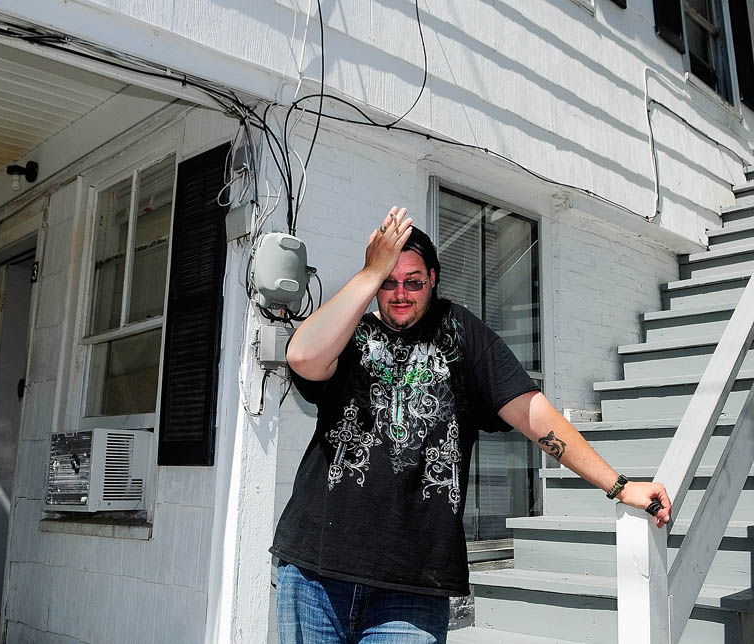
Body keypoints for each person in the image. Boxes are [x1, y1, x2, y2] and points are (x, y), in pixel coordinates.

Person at [271, 207, 671, 643]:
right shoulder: (348, 333)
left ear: (434, 279)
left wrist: (618, 485)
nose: (400, 293)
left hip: (412, 587)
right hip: (315, 573)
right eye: (388, 281)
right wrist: (370, 271)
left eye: (413, 281)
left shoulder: (460, 334)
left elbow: (534, 414)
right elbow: (302, 357)